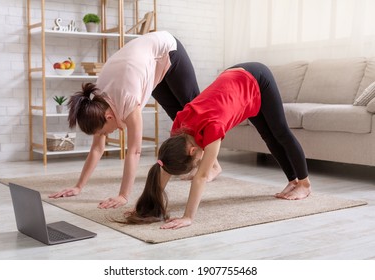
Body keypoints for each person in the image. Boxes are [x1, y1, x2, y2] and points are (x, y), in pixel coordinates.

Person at [125, 62, 312, 229]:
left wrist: (188, 217)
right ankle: (292, 181)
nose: (200, 161)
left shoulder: (212, 128)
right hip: (235, 82)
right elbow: (164, 165)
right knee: (268, 136)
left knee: (280, 132)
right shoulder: (180, 125)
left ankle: (304, 183)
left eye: (196, 161)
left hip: (256, 77)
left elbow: (201, 176)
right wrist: (147, 204)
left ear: (192, 151)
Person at [48, 31, 200, 209]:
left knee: (196, 111)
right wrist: (78, 186)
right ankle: (210, 162)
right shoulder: (98, 103)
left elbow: (134, 151)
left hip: (168, 49)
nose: (106, 134)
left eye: (104, 132)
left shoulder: (127, 100)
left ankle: (211, 165)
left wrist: (123, 195)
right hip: (147, 64)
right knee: (180, 117)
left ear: (109, 116)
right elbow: (97, 148)